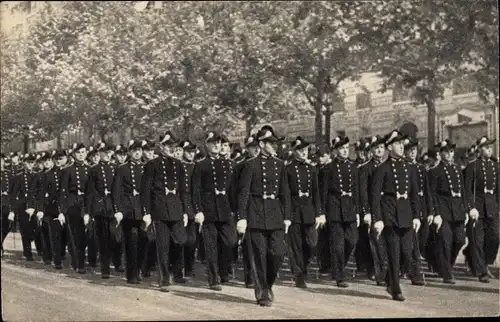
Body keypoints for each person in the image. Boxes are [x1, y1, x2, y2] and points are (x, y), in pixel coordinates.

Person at [236, 125, 291, 306]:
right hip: (256, 214)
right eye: (271, 142)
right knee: (258, 255)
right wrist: (241, 217)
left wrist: (287, 216)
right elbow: (243, 193)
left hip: (275, 214)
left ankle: (267, 284)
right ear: (261, 143)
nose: (275, 146)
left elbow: (285, 193)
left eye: (276, 143)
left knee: (278, 252)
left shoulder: (280, 165)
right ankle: (263, 292)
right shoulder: (250, 165)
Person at [371, 130, 421, 301]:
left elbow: (414, 194)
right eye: (398, 144)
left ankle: (389, 278)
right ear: (390, 147)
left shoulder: (410, 168)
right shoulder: (382, 169)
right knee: (394, 253)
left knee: (407, 254)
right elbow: (375, 196)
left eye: (402, 144)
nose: (402, 146)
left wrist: (416, 216)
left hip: (406, 213)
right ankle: (396, 288)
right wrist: (377, 218)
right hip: (390, 215)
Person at [141, 131, 187, 292]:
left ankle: (175, 271)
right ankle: (164, 278)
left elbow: (183, 190)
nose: (170, 148)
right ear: (161, 146)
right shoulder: (152, 165)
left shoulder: (178, 165)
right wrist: (146, 212)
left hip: (176, 208)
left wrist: (186, 211)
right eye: (167, 145)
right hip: (159, 209)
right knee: (162, 245)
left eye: (173, 146)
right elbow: (145, 190)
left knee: (180, 240)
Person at [191, 132, 237, 290]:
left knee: (230, 241)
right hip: (208, 210)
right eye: (213, 143)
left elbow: (233, 189)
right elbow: (195, 190)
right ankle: (213, 278)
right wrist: (198, 210)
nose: (217, 145)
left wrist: (235, 208)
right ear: (207, 145)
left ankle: (224, 270)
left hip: (226, 209)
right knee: (211, 246)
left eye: (219, 142)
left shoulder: (229, 164)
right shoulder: (201, 165)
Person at [321, 135, 360, 288]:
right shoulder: (328, 168)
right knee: (337, 244)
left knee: (352, 240)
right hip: (334, 208)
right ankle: (339, 275)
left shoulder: (353, 167)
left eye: (346, 149)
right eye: (341, 149)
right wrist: (322, 212)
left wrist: (358, 209)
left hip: (349, 207)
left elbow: (356, 190)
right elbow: (324, 191)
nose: (344, 151)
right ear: (336, 150)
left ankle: (338, 265)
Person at [428, 139, 468, 285]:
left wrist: (466, 209)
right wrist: (436, 213)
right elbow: (432, 194)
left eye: (451, 152)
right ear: (440, 153)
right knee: (445, 242)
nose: (449, 155)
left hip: (457, 210)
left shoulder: (457, 169)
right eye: (446, 152)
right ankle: (446, 273)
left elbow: (462, 191)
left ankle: (445, 266)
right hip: (443, 210)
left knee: (460, 240)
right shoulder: (434, 171)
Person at [285, 136, 323, 288]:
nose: (304, 153)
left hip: (308, 210)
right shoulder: (288, 170)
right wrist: (287, 215)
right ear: (294, 152)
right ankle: (299, 275)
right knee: (296, 245)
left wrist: (319, 213)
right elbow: (286, 194)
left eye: (306, 150)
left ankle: (304, 265)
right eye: (300, 150)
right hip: (295, 210)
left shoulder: (311, 169)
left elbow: (316, 192)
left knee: (312, 243)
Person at [112, 139, 148, 284]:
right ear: (129, 152)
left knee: (144, 240)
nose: (137, 153)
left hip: (143, 210)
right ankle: (131, 273)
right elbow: (117, 192)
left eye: (139, 150)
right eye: (134, 150)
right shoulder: (122, 169)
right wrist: (118, 210)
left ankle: (139, 268)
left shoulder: (147, 167)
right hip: (129, 210)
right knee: (131, 241)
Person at [464, 136, 499, 283]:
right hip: (477, 209)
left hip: (492, 207)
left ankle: (475, 257)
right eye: (486, 147)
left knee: (495, 237)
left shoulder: (496, 166)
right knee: (478, 240)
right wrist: (471, 207)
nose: (489, 149)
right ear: (479, 150)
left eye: (490, 147)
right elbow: (467, 189)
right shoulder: (473, 166)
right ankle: (481, 270)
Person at [229, 135, 260, 288]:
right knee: (249, 245)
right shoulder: (242, 166)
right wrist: (238, 213)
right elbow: (236, 191)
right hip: (248, 209)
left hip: (265, 210)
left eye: (258, 146)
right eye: (253, 146)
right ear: (247, 148)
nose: (257, 149)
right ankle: (250, 277)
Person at [358, 134, 389, 286]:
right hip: (373, 207)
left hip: (387, 208)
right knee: (376, 241)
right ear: (371, 150)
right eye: (376, 148)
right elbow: (363, 193)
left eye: (381, 147)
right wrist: (366, 211)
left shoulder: (388, 166)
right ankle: (379, 273)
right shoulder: (365, 168)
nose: (379, 150)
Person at [402, 138, 430, 286]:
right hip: (409, 207)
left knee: (423, 240)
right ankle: (415, 272)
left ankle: (406, 266)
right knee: (413, 243)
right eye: (409, 150)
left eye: (414, 150)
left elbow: (427, 191)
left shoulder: (420, 168)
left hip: (422, 206)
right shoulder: (403, 167)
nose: (412, 153)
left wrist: (430, 211)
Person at [59, 143, 90, 274]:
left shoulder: (91, 169)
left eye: (83, 152)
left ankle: (82, 260)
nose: (81, 154)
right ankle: (79, 263)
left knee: (89, 235)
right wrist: (62, 210)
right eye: (78, 152)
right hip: (74, 204)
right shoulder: (68, 170)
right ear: (73, 154)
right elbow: (63, 192)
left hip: (88, 203)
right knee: (77, 235)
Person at [37, 150, 67, 269]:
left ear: (65, 159)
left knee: (66, 236)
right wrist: (40, 209)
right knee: (55, 235)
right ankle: (56, 260)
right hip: (53, 208)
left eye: (61, 159)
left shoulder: (69, 171)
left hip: (68, 208)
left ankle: (60, 255)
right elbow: (42, 193)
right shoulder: (48, 175)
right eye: (57, 159)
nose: (59, 161)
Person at [175, 139, 198, 280]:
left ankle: (189, 267)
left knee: (192, 240)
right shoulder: (178, 166)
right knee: (180, 240)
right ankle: (178, 270)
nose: (191, 154)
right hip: (180, 205)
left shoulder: (196, 166)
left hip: (193, 206)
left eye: (193, 151)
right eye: (188, 151)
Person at [10, 153, 39, 261]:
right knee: (25, 230)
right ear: (24, 163)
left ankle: (37, 246)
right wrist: (13, 210)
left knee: (36, 229)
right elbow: (14, 194)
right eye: (28, 162)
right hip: (23, 206)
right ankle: (28, 253)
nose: (30, 164)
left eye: (32, 162)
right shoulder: (19, 177)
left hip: (34, 206)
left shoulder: (37, 175)